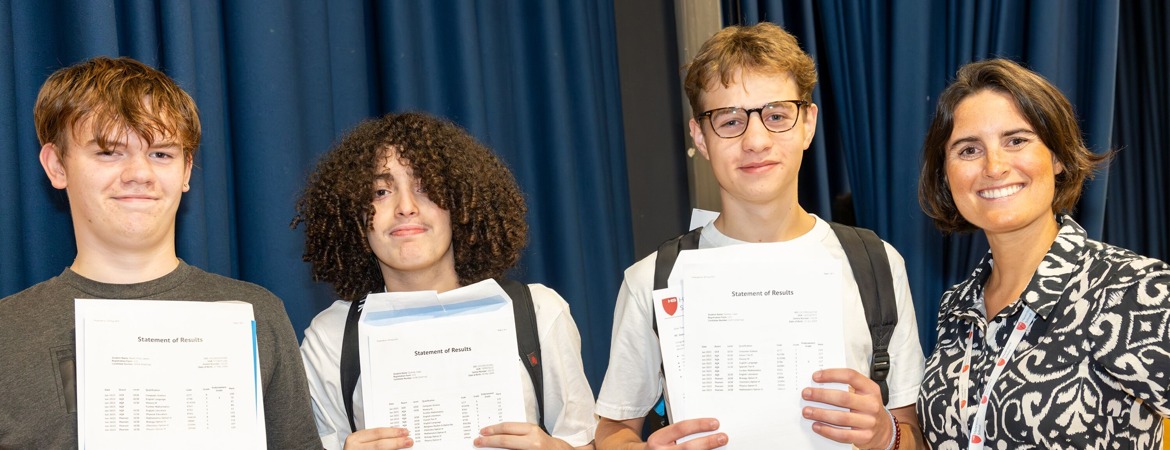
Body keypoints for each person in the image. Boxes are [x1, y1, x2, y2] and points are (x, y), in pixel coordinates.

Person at [594, 22, 925, 450]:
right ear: (701, 136)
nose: (755, 140)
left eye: (776, 116)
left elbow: (911, 430)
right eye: (729, 120)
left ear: (807, 124)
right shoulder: (653, 279)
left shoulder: (876, 264)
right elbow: (612, 430)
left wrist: (888, 435)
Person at [0, 56, 320, 449]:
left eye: (161, 154)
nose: (139, 174)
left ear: (186, 170)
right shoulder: (7, 331)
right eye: (108, 152)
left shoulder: (258, 315)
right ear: (56, 166)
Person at [294, 112, 597, 450]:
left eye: (426, 187)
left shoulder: (539, 313)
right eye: (381, 191)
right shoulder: (330, 338)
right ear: (355, 216)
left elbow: (583, 441)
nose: (406, 207)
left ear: (462, 203)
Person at [916, 58, 1170, 448]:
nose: (994, 166)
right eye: (968, 150)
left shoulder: (1132, 289)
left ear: (1058, 156)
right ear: (946, 176)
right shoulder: (957, 306)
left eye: (1016, 140)